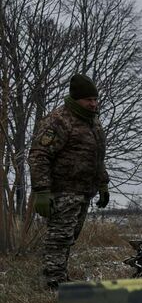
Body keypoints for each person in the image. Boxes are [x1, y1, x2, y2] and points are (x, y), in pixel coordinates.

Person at [29, 73, 110, 289]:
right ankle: (53, 283)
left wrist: (103, 184)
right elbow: (39, 155)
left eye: (95, 99)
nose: (93, 104)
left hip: (84, 191)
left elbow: (97, 156)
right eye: (88, 100)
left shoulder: (94, 123)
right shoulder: (59, 120)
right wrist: (42, 191)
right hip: (62, 190)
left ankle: (59, 277)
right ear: (76, 99)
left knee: (70, 236)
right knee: (59, 237)